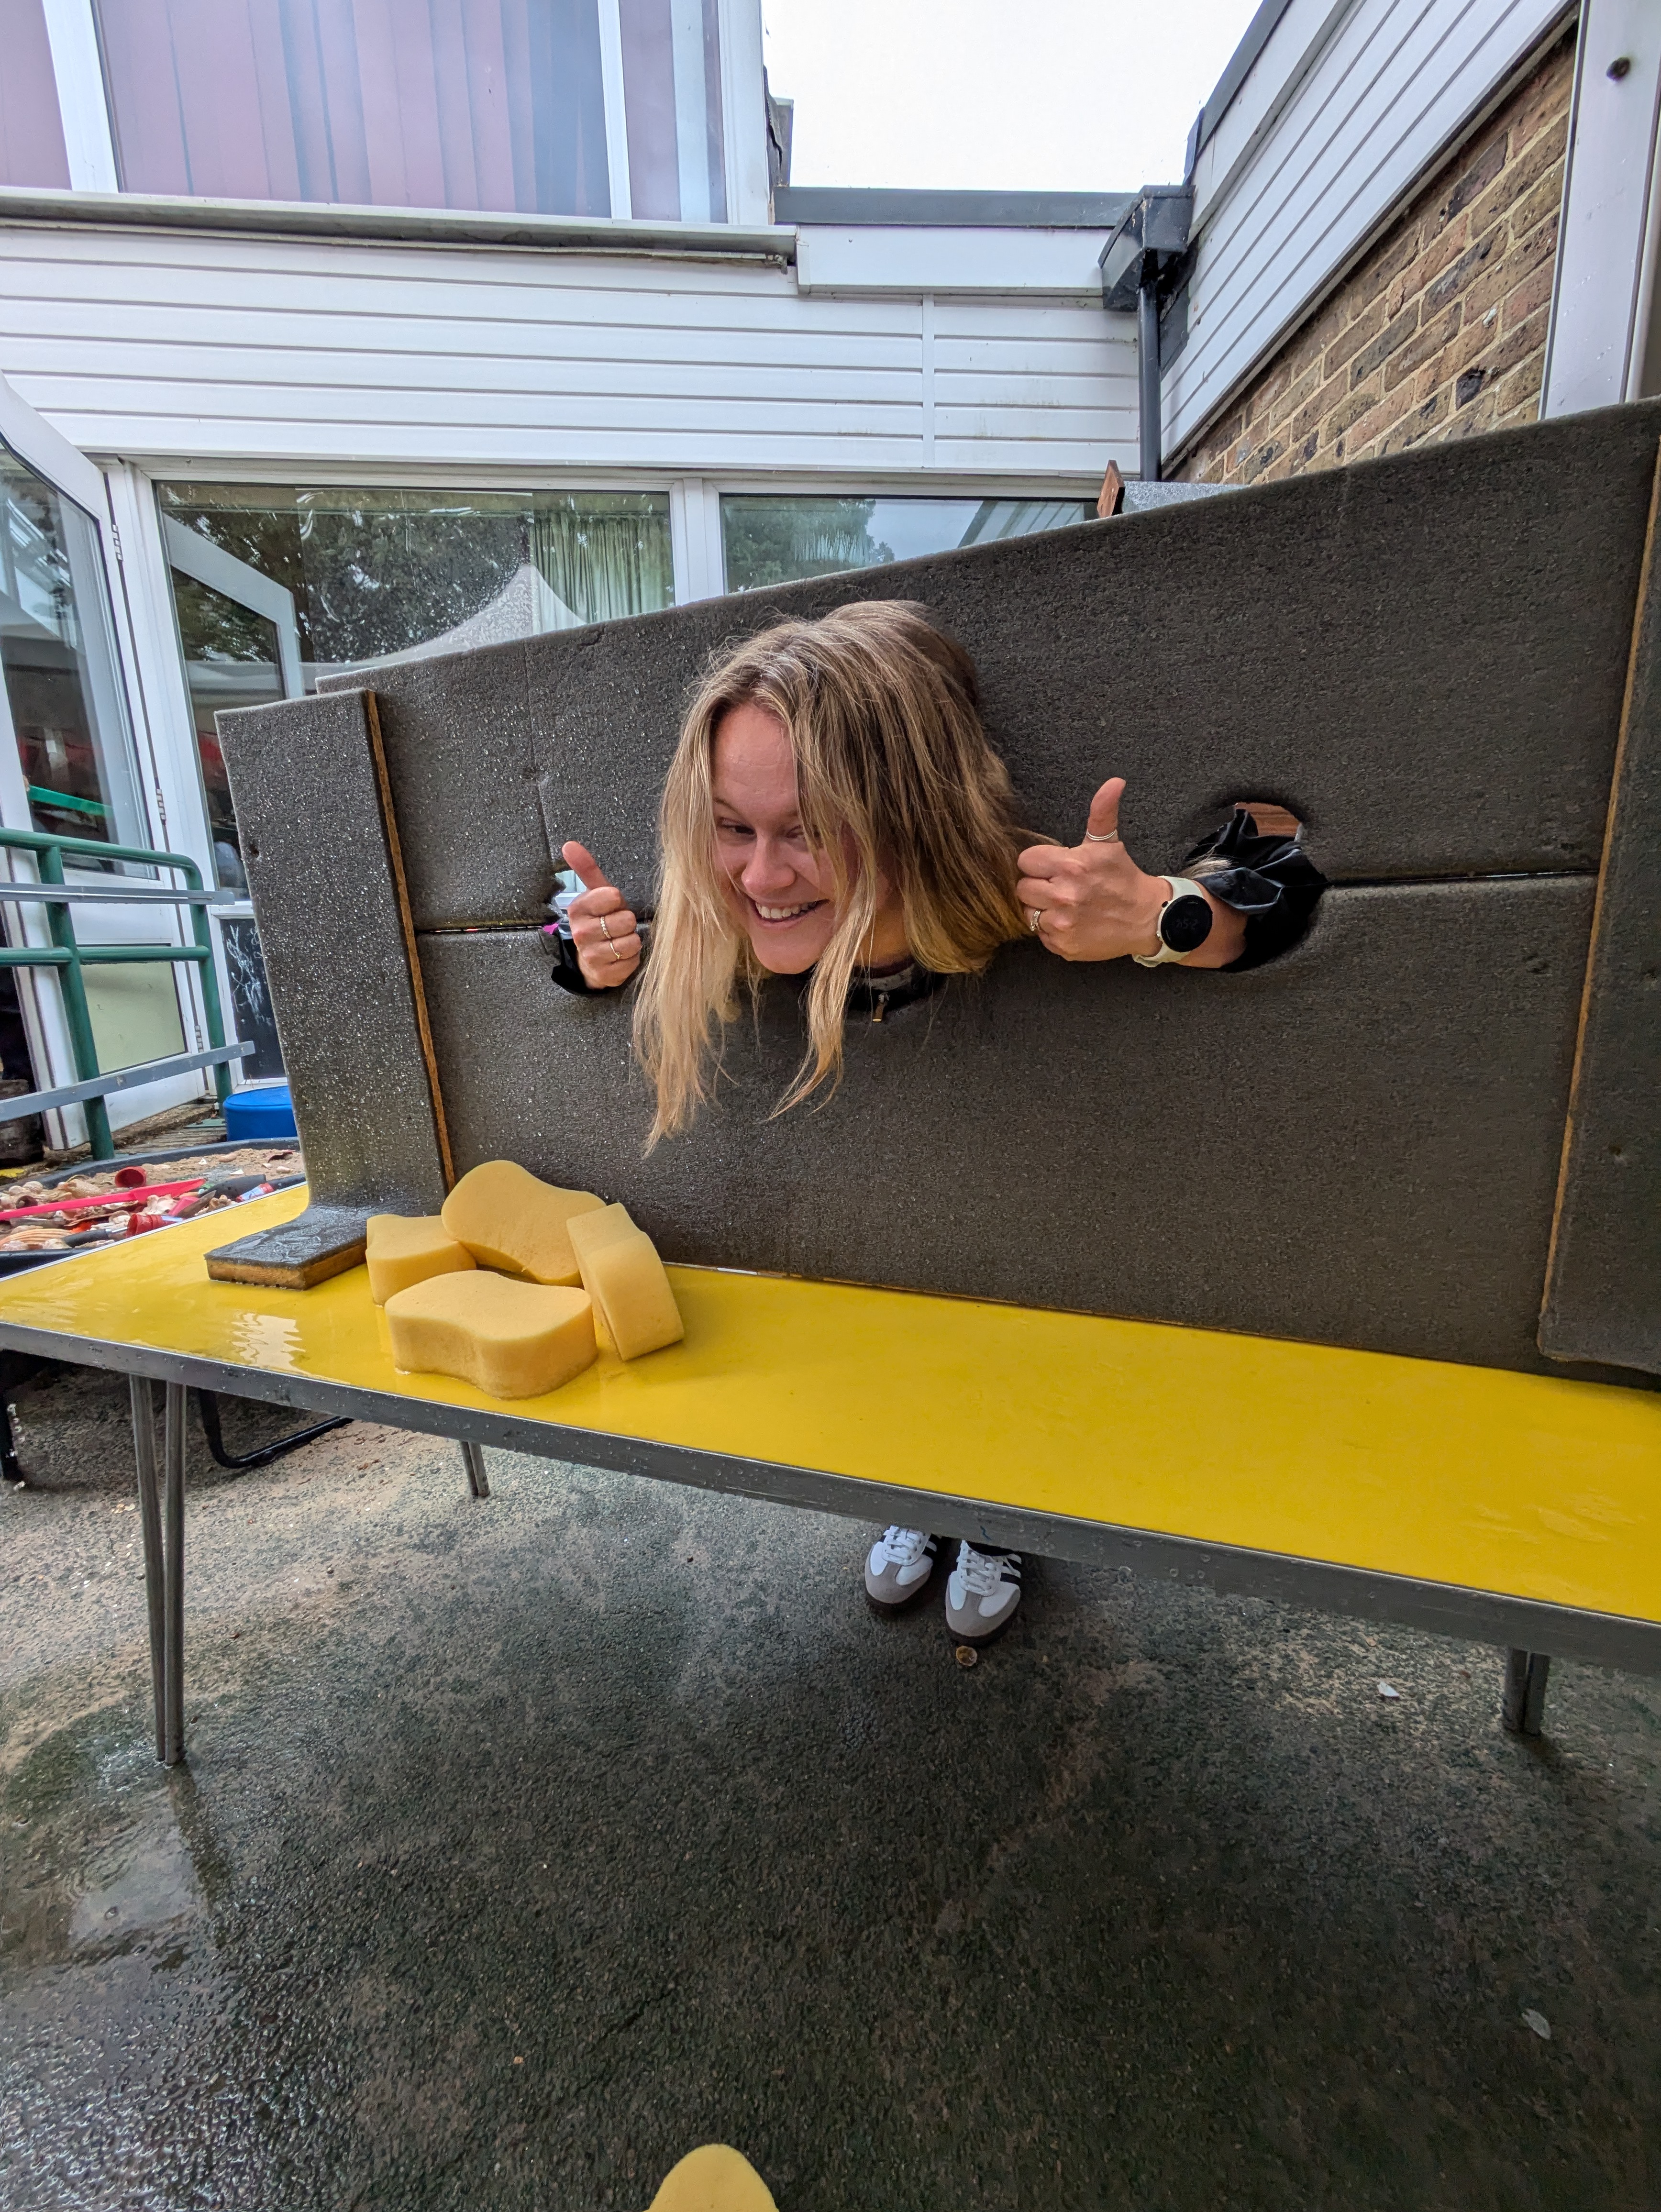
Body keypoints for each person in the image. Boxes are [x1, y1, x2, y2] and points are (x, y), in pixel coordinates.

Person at [554, 602, 1324, 1645]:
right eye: (733, 826)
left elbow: (1289, 888)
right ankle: (917, 1493)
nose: (762, 875)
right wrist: (588, 957)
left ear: (909, 812)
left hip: (1041, 1235)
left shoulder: (1023, 902)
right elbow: (617, 948)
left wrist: (1165, 917)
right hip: (862, 1255)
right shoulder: (725, 915)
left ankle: (998, 1511)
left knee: (1002, 1328)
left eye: (813, 829)